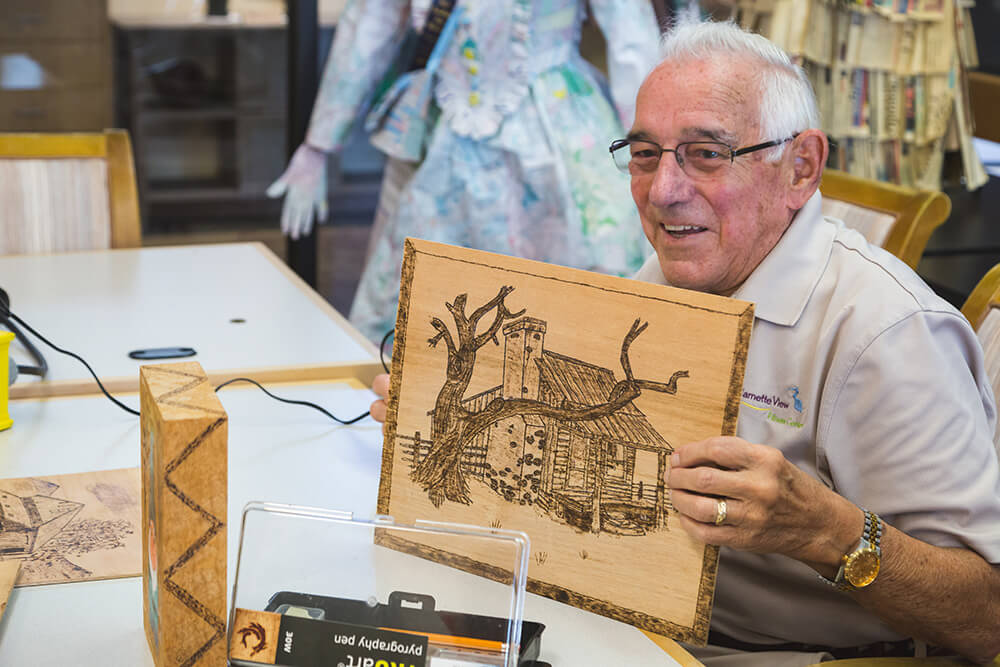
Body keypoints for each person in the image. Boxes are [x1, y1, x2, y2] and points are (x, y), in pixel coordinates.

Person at [371, 19, 1000, 665]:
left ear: (801, 167)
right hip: (628, 621)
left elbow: (988, 617)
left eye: (707, 153)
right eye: (645, 155)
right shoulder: (664, 275)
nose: (663, 191)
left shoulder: (886, 332)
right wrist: (446, 412)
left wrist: (826, 531)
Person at [268, 0, 662, 342]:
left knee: (577, 304)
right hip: (443, 135)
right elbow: (370, 26)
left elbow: (631, 33)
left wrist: (652, 147)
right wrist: (320, 143)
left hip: (554, 132)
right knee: (428, 305)